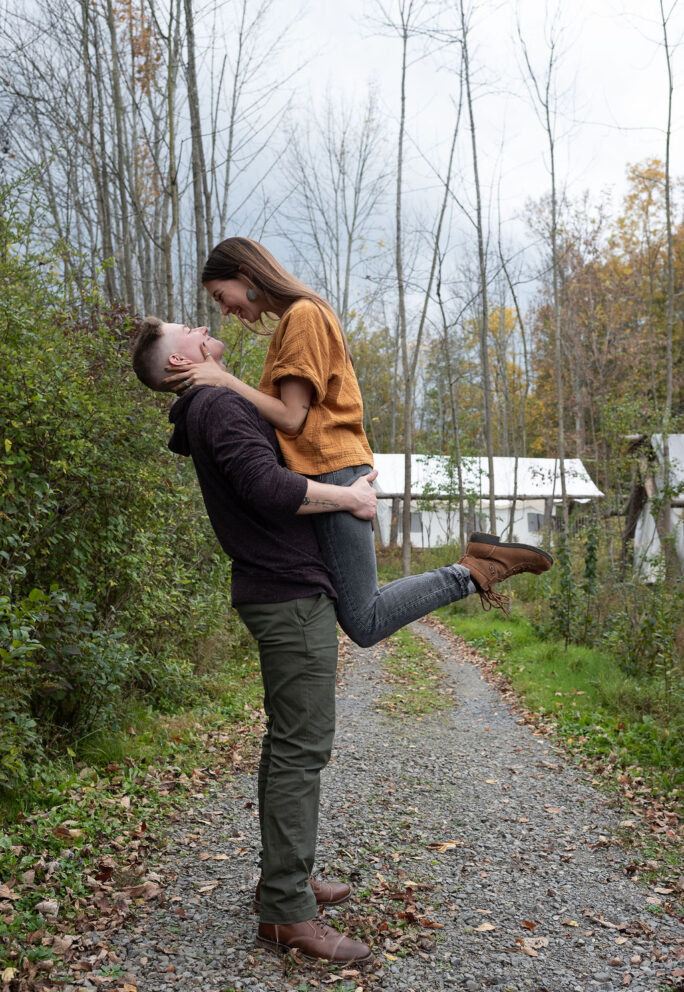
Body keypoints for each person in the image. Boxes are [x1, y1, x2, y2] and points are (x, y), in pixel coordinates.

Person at [131, 318, 375, 965]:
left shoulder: (211, 405)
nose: (206, 325)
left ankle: (283, 881)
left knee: (286, 746)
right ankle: (287, 914)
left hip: (277, 590)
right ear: (182, 358)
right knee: (302, 751)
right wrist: (348, 498)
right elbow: (271, 489)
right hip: (287, 594)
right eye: (191, 327)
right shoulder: (216, 405)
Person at [166, 236, 553, 640]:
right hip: (326, 469)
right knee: (358, 611)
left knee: (364, 621)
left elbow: (292, 418)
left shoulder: (303, 316)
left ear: (244, 273)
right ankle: (474, 566)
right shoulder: (297, 319)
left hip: (334, 471)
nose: (225, 309)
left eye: (220, 295)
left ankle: (475, 569)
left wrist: (225, 381)